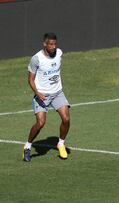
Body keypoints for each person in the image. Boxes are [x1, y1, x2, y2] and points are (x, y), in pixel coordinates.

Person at [23, 33, 70, 162]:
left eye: (55, 44)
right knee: (40, 123)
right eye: (50, 44)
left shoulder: (59, 53)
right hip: (42, 95)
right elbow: (30, 80)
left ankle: (60, 144)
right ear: (44, 44)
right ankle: (27, 146)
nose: (53, 47)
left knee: (66, 119)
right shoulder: (36, 59)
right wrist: (38, 94)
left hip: (57, 93)